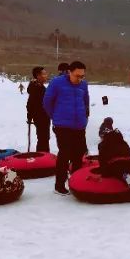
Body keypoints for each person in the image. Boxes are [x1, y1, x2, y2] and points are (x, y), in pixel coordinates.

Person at [43, 60, 90, 195]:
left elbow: (86, 102)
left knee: (79, 154)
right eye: (77, 75)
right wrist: (55, 117)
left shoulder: (83, 85)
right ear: (69, 72)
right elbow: (47, 102)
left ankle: (76, 182)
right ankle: (59, 185)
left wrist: (85, 118)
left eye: (82, 76)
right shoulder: (57, 83)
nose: (80, 79)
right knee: (65, 154)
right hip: (62, 125)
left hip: (79, 125)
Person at [26, 66, 51, 152]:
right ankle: (43, 156)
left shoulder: (40, 87)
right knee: (43, 138)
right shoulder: (36, 88)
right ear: (38, 75)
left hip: (44, 115)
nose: (46, 75)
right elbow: (30, 103)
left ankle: (43, 155)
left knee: (44, 138)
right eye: (44, 74)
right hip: (40, 116)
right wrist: (29, 116)